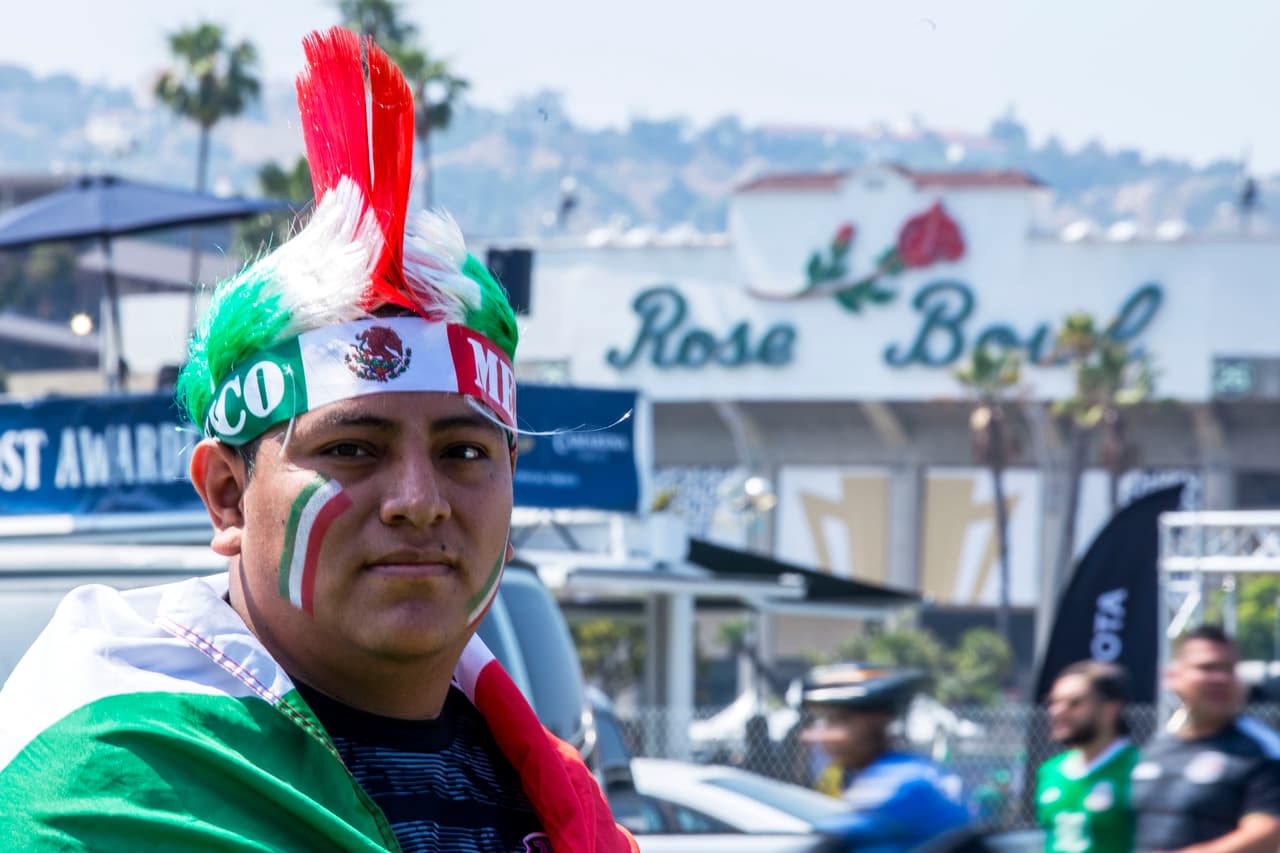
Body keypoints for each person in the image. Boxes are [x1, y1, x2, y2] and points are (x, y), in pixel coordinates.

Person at [0, 26, 636, 853]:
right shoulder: (108, 778)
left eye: (464, 451)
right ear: (226, 493)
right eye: (352, 449)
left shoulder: (559, 798)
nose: (418, 500)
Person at [1131, 624, 1280, 853]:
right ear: (1173, 678)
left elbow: (1269, 833)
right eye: (1207, 668)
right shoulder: (1156, 749)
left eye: (1228, 669)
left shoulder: (1262, 749)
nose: (1219, 678)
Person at [799, 662, 971, 852]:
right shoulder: (906, 769)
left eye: (837, 721)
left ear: (876, 721)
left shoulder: (895, 783)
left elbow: (826, 841)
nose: (818, 735)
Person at [1036, 660, 1140, 853]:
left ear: (1110, 709)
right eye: (1053, 702)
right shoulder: (1049, 771)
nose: (1058, 711)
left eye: (1074, 703)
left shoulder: (1137, 770)